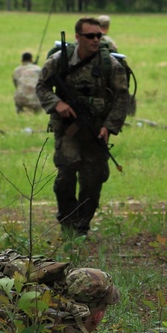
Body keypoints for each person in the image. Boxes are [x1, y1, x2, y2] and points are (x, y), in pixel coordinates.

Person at [35, 17, 131, 236]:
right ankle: (68, 222)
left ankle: (82, 224)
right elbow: (41, 86)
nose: (96, 40)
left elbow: (122, 98)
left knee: (93, 178)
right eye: (90, 36)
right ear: (78, 37)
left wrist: (110, 127)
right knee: (66, 172)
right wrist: (57, 103)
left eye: (99, 36)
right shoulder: (60, 61)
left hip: (96, 130)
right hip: (68, 128)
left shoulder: (110, 65)